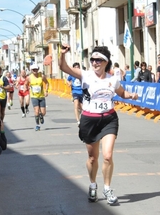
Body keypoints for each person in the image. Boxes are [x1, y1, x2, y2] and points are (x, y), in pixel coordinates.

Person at [59, 45, 138, 205]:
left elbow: (123, 93)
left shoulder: (112, 79)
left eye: (98, 60)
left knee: (107, 156)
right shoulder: (85, 76)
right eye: (93, 60)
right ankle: (93, 184)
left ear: (106, 62)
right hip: (89, 120)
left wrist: (132, 96)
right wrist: (62, 55)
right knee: (93, 158)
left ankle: (107, 188)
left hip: (109, 119)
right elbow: (63, 67)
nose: (95, 63)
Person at [29, 64, 49, 131]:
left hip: (41, 96)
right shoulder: (29, 77)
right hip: (34, 96)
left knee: (43, 113)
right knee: (36, 111)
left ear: (38, 69)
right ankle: (38, 125)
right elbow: (25, 84)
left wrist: (46, 91)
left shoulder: (42, 76)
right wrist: (25, 88)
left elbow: (46, 83)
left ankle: (41, 116)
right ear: (32, 70)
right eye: (33, 69)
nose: (35, 71)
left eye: (36, 69)